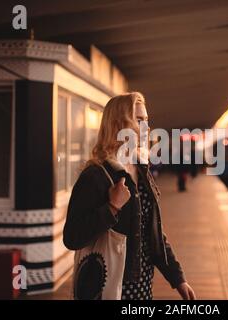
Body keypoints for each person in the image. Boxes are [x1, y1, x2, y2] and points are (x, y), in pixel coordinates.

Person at [63, 92, 196, 300]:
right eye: (139, 120)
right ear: (119, 124)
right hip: (107, 287)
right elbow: (72, 237)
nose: (147, 127)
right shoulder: (95, 176)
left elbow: (152, 232)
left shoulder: (142, 171)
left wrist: (177, 278)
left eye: (147, 120)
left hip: (142, 287)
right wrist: (111, 208)